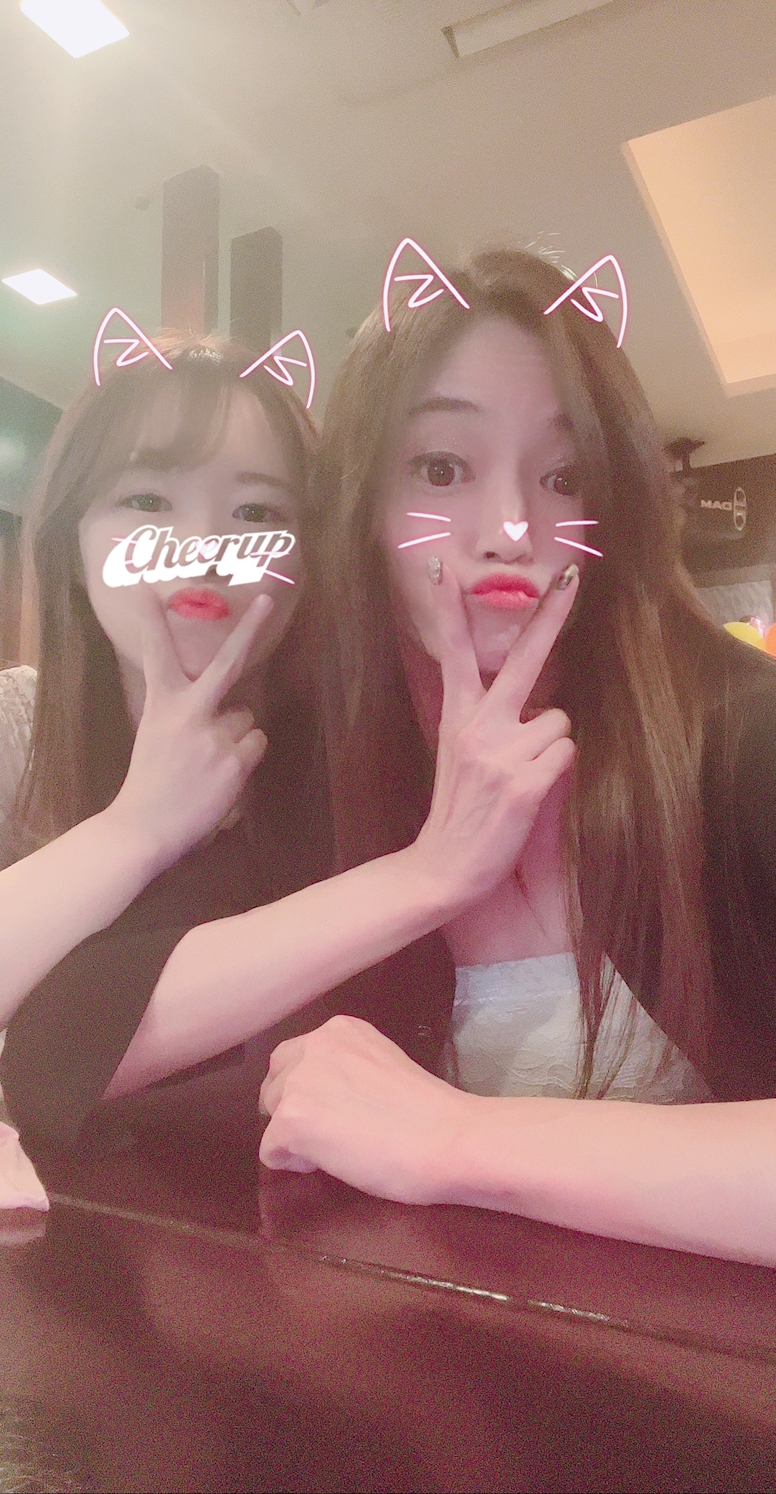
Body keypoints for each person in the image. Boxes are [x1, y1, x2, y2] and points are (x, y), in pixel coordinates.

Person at [258, 247, 776, 1276]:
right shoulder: (308, 764)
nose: (511, 531)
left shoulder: (765, 749)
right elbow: (69, 1047)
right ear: (363, 505)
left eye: (564, 478)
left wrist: (453, 1139)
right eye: (443, 468)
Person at [0, 328, 578, 1161]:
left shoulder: (360, 756)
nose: (205, 550)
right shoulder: (18, 731)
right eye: (149, 501)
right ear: (71, 546)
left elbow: (55, 1046)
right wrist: (137, 827)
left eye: (258, 514)